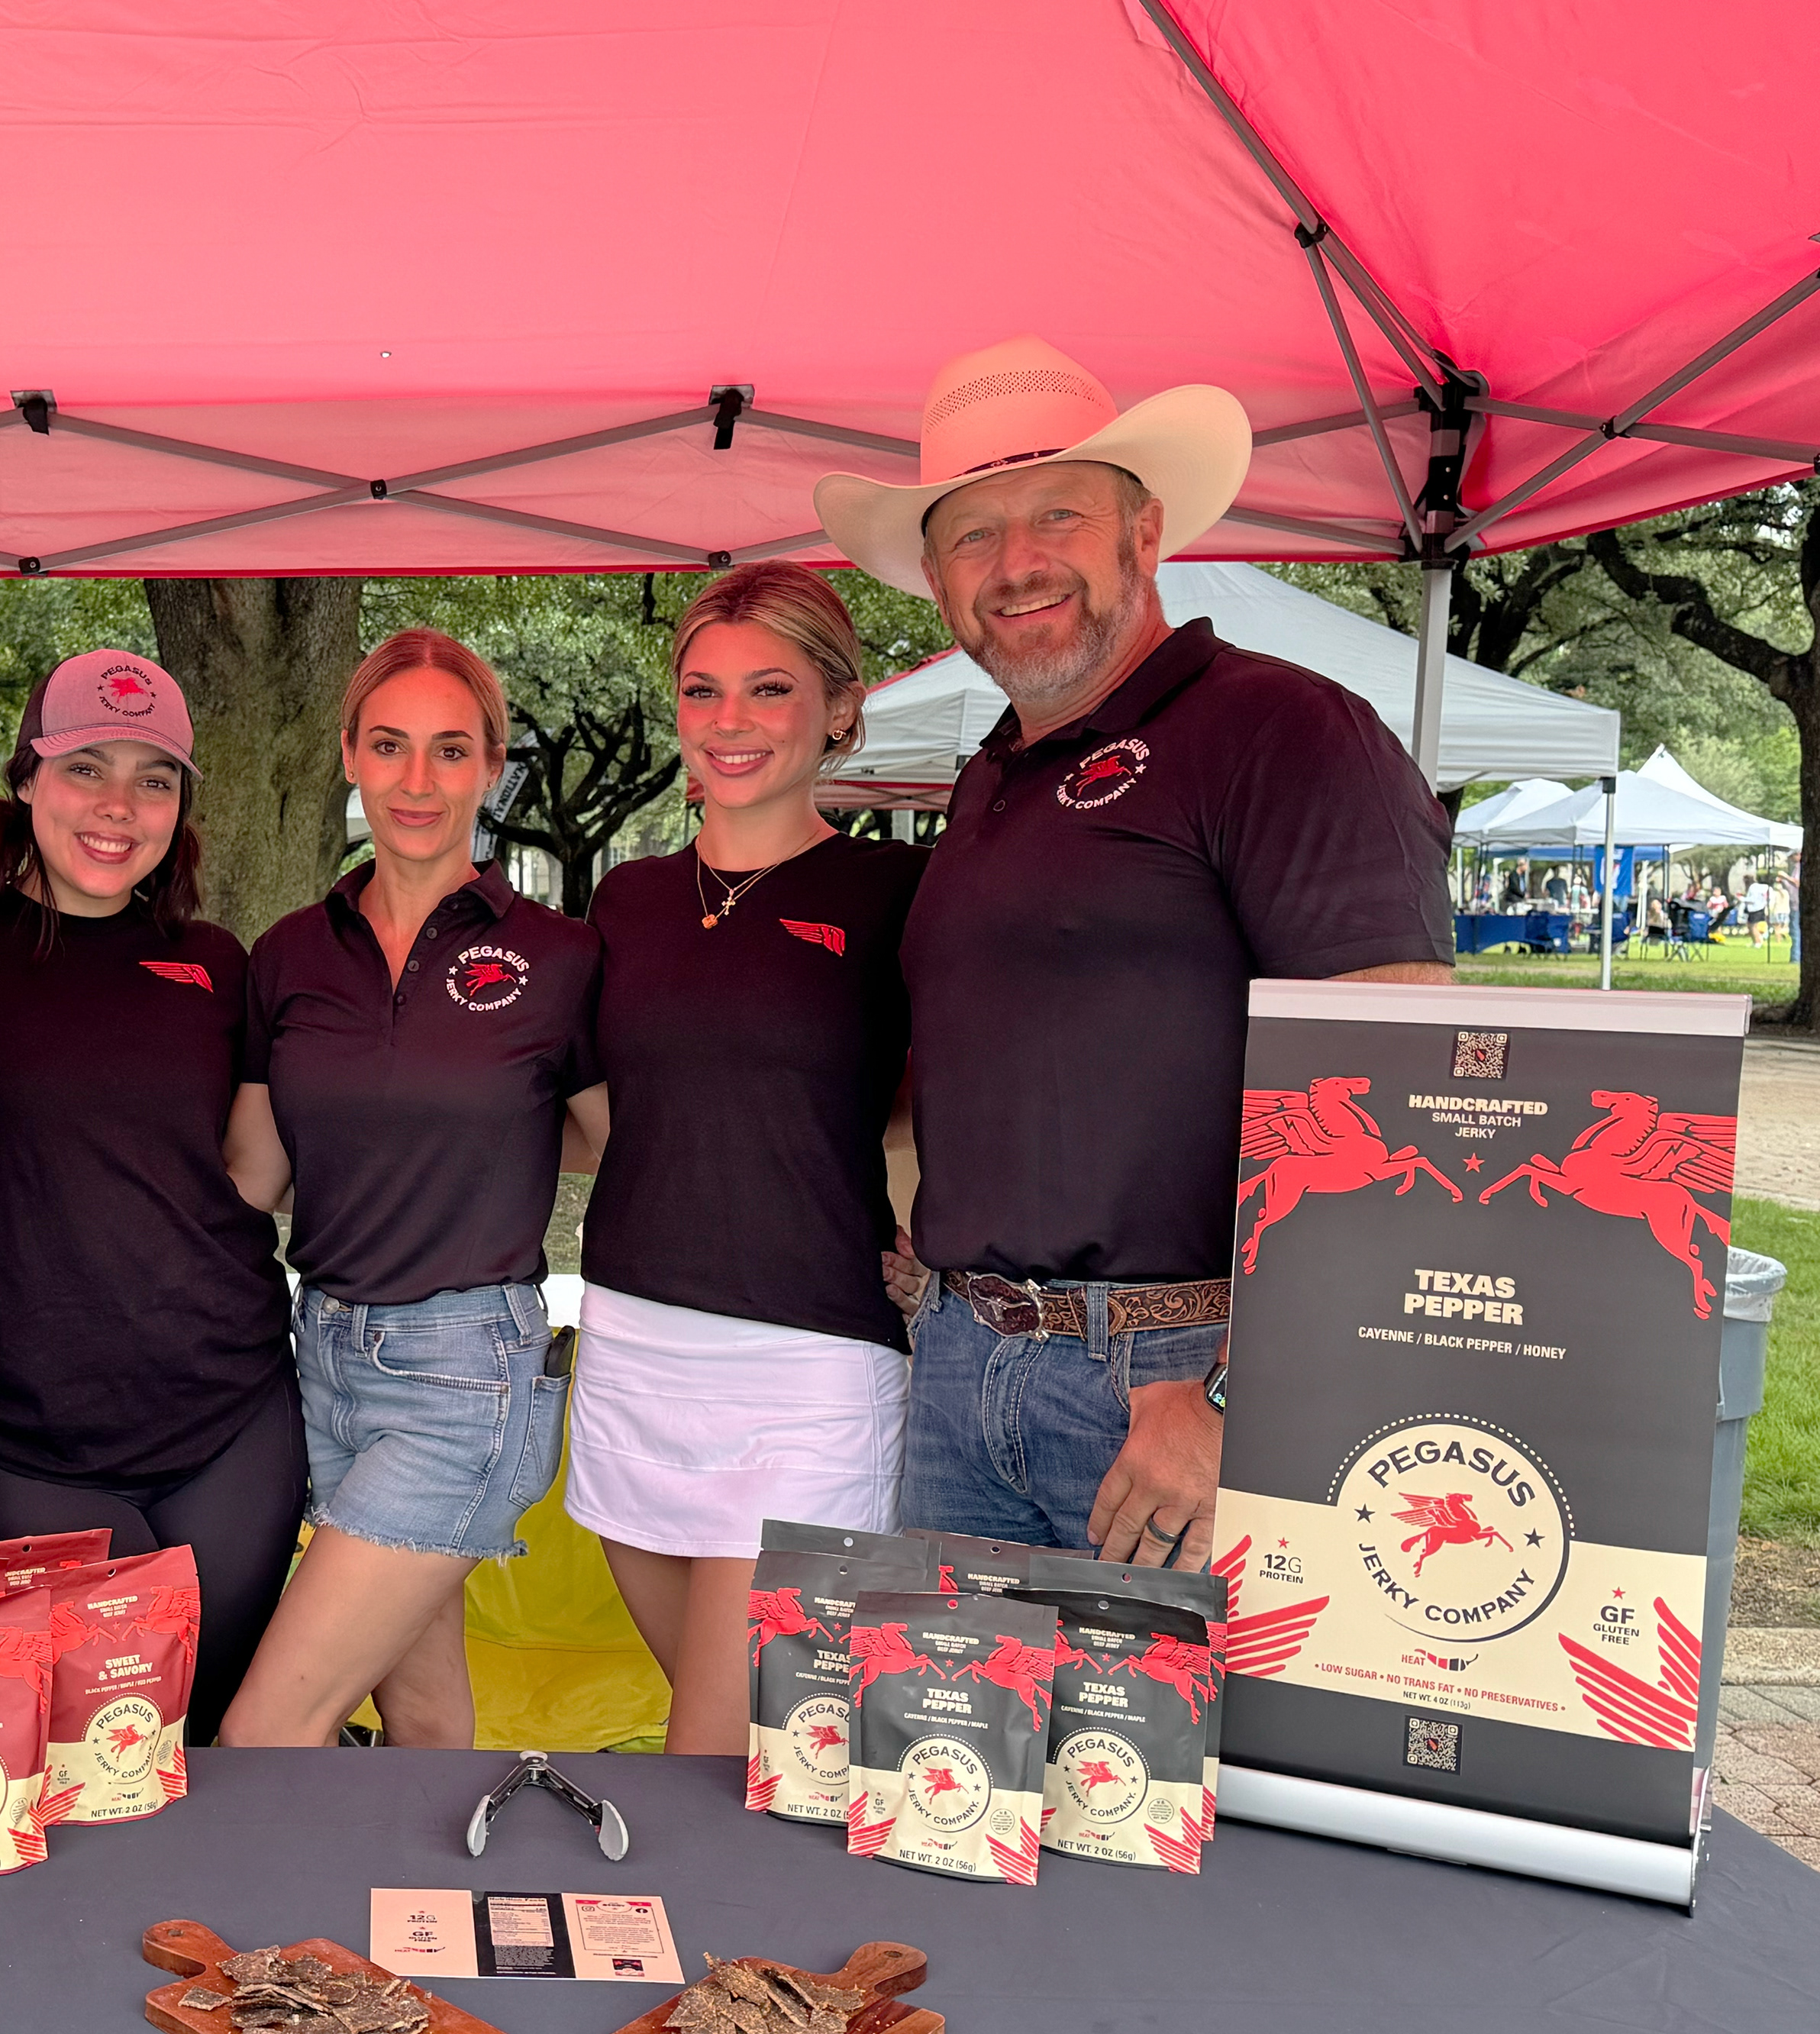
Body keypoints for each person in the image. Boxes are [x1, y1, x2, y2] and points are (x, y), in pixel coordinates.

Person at [814, 335, 1454, 1569]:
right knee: (963, 1762)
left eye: (1057, 514)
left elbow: (1408, 1093)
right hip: (959, 1370)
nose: (1017, 565)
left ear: (1144, 534)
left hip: (1171, 1383)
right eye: (974, 536)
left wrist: (1231, 1393)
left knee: (1172, 1763)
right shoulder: (990, 779)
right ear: (940, 583)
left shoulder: (1285, 733)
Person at [0, 651, 302, 1742]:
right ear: (26, 778)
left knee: (213, 1735)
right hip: (16, 1439)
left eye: (155, 778)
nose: (120, 807)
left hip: (232, 1422)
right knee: (70, 1751)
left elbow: (246, 1170)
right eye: (86, 768)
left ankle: (217, 1925)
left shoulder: (215, 965)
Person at [215, 630, 605, 1748]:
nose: (417, 782)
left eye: (449, 750)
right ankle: (431, 1924)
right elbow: (256, 1175)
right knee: (423, 1708)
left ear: (491, 765)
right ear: (349, 753)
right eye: (389, 747)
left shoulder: (562, 957)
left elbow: (617, 1145)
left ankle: (267, 1930)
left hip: (462, 1378)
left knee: (269, 1730)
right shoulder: (289, 955)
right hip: (320, 1357)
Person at [562, 563, 925, 1755]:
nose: (731, 723)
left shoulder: (897, 892)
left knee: (713, 1750)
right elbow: (610, 1115)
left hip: (808, 1367)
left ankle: (728, 1942)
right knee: (737, 1746)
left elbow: (929, 1111)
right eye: (703, 691)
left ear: (839, 706)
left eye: (769, 690)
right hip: (631, 1347)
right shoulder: (626, 897)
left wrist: (936, 1243)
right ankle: (767, 1936)